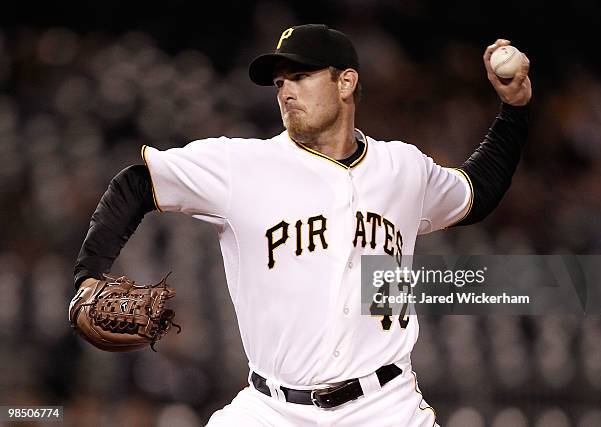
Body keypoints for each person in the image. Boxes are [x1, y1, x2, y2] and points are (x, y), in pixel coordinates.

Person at [72, 24, 531, 426]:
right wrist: (88, 275)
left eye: (301, 76)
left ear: (346, 81)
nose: (286, 91)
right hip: (272, 410)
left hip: (385, 408)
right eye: (279, 82)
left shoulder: (402, 168)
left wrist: (515, 108)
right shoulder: (242, 165)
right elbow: (135, 185)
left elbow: (477, 191)